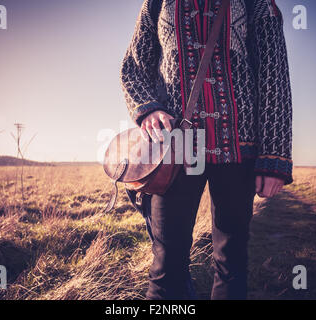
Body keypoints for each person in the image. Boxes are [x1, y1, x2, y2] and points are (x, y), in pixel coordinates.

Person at [120, 0, 293, 300]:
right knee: (166, 266)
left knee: (231, 262)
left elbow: (273, 74)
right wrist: (147, 110)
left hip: (238, 148)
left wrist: (274, 157)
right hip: (175, 151)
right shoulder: (157, 2)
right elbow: (133, 68)